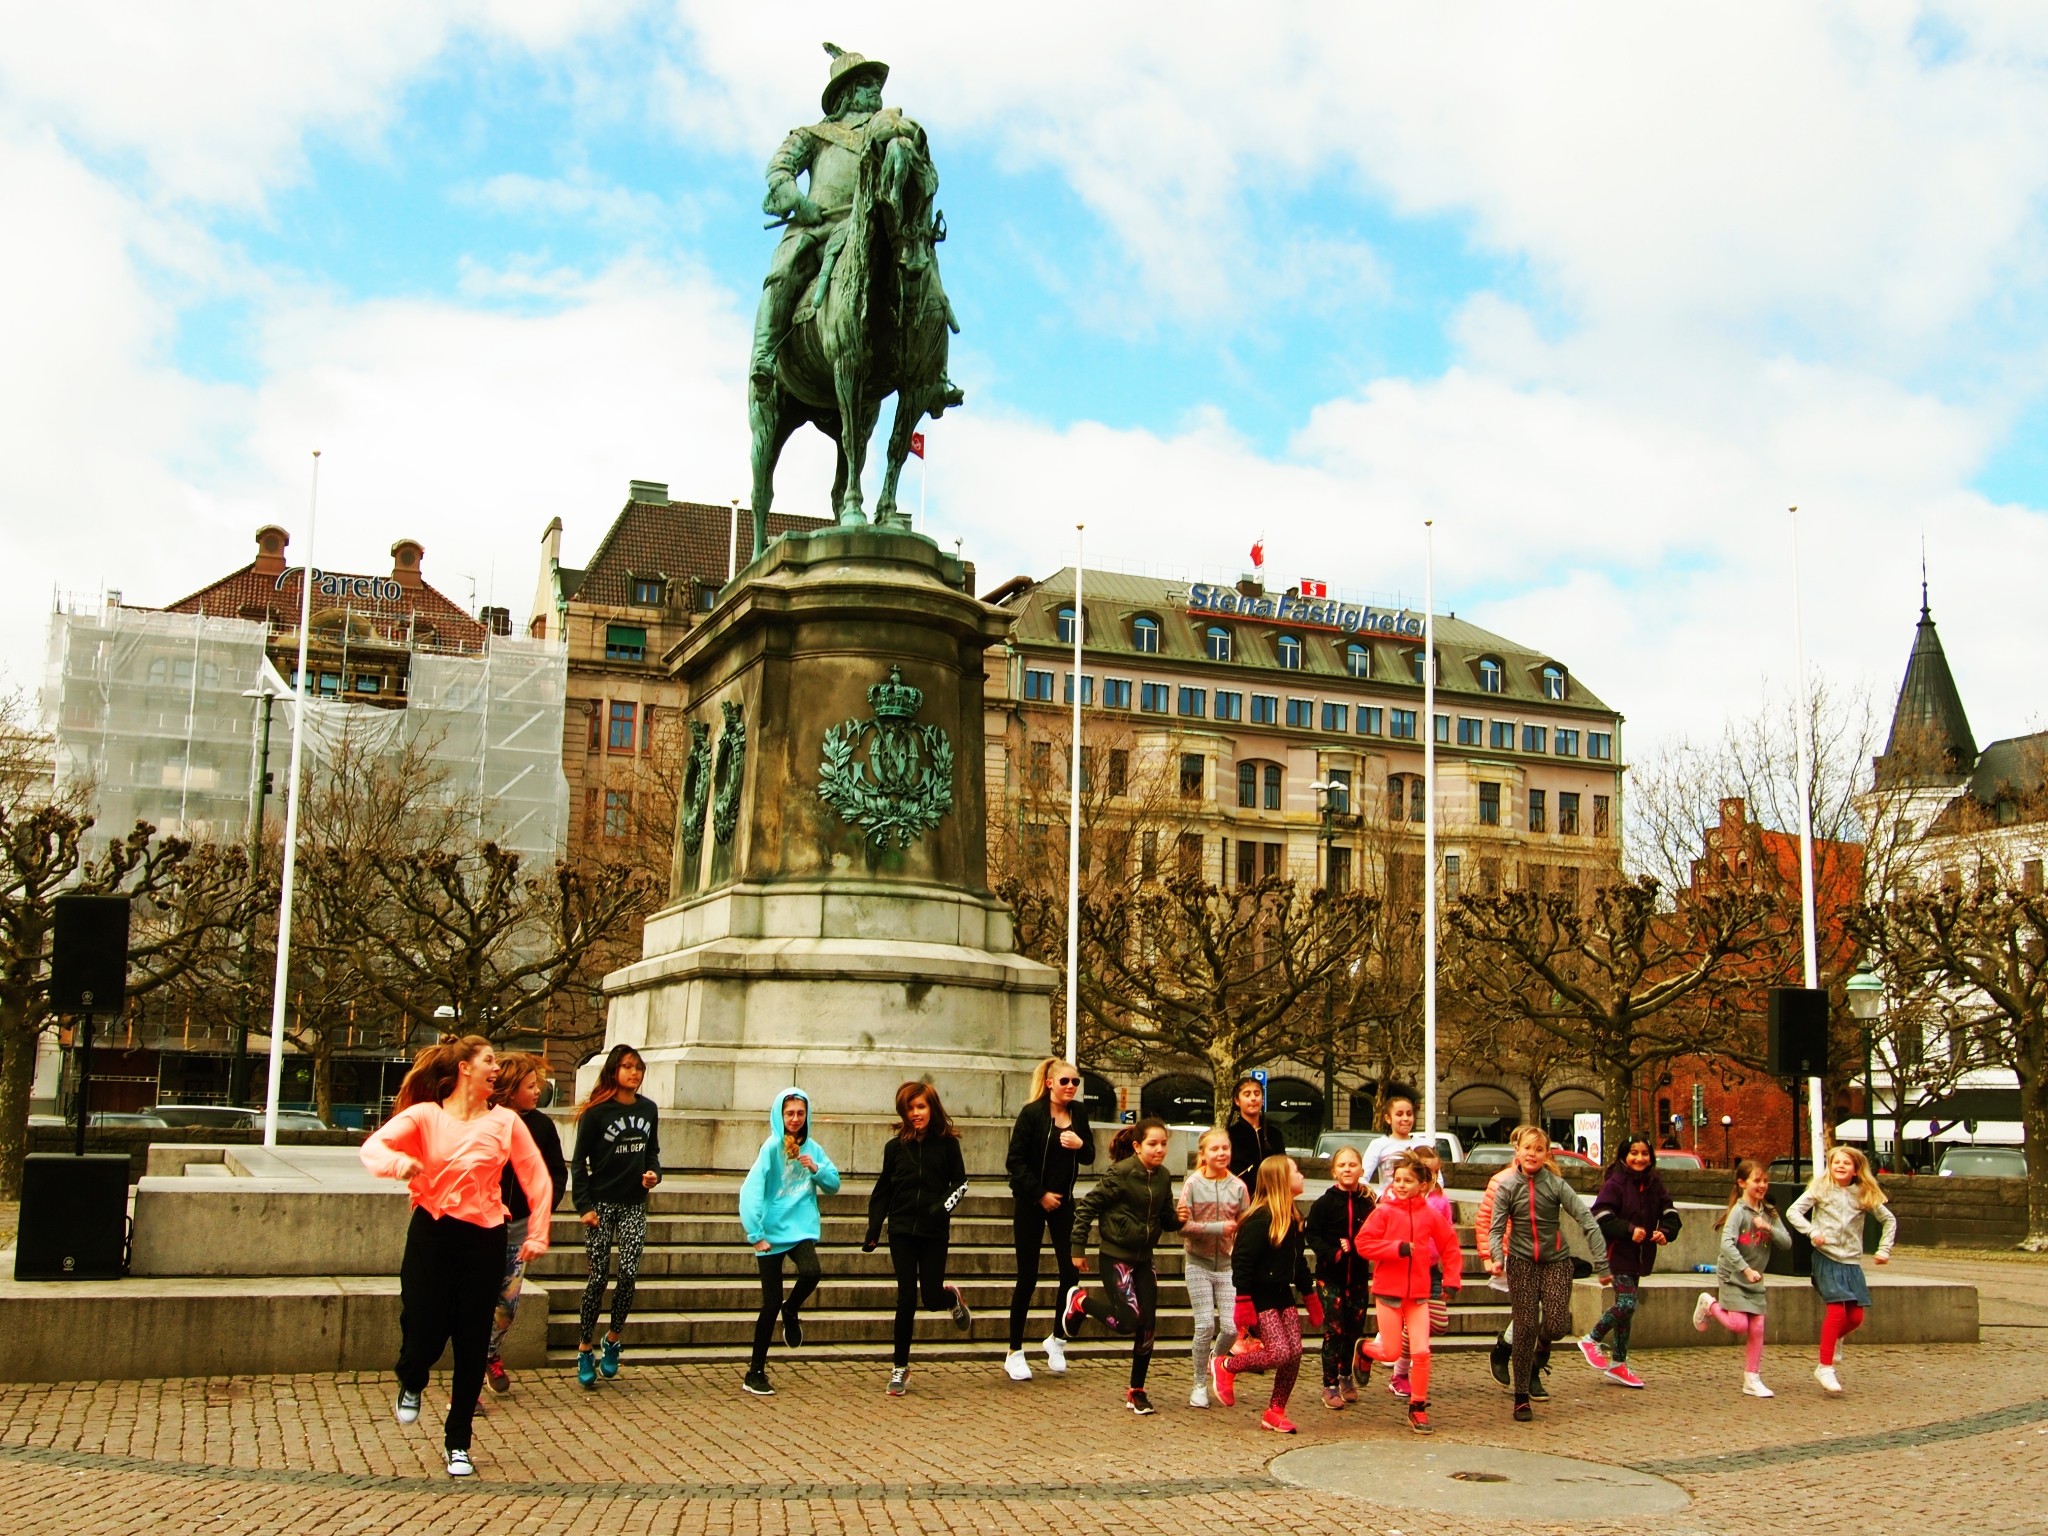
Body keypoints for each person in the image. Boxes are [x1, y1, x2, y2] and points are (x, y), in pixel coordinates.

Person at [359, 1036, 551, 1480]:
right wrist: (399, 1165)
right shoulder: (426, 1116)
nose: (496, 1069)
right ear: (464, 1068)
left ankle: (458, 1441)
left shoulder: (505, 1122)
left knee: (471, 1342)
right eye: (488, 1061)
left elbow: (536, 1176)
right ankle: (412, 1377)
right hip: (432, 1232)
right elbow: (373, 1149)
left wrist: (538, 1232)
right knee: (423, 1327)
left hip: (485, 1237)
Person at [1485, 1126, 1610, 1423]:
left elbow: (1587, 1220)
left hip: (1555, 1261)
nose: (1532, 1154)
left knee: (1557, 1324)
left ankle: (1543, 1348)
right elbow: (1496, 1229)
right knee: (1525, 1326)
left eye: (1538, 1150)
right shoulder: (1507, 1188)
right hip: (1521, 1263)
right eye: (1527, 1148)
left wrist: (1603, 1264)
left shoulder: (1555, 1185)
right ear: (1517, 1151)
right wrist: (1496, 1258)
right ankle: (1521, 1397)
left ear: (1546, 1154)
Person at [1062, 1116, 1185, 1415]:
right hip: (1115, 1256)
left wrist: (1179, 1218)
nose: (1159, 1150)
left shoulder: (1164, 1176)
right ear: (1137, 1146)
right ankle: (1081, 1303)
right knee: (1128, 1322)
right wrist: (1077, 1248)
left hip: (1144, 1259)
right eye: (1152, 1144)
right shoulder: (1122, 1173)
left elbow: (1164, 1218)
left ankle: (1137, 1391)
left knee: (1148, 1326)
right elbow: (1088, 1206)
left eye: (1163, 1144)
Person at [864, 1081, 972, 1397]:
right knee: (906, 1298)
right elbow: (883, 1190)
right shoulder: (894, 1148)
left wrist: (941, 1208)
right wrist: (873, 1229)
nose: (915, 1114)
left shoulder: (948, 1145)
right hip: (901, 1230)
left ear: (932, 1108)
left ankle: (950, 1297)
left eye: (921, 1107)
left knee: (931, 1297)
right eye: (910, 1108)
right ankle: (900, 1367)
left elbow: (961, 1184)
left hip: (934, 1231)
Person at [570, 1044, 662, 1389]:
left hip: (633, 1203)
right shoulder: (596, 1113)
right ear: (613, 1071)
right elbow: (579, 1164)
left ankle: (613, 1337)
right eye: (626, 1067)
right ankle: (583, 1347)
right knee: (597, 1278)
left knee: (628, 1273)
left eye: (638, 1068)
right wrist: (584, 1206)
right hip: (601, 1204)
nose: (634, 1073)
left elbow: (652, 1152)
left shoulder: (649, 1109)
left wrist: (654, 1175)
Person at [739, 1087, 840, 1396]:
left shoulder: (814, 1148)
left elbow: (834, 1184)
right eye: (789, 1114)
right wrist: (755, 1234)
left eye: (800, 1113)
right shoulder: (771, 1148)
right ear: (780, 1116)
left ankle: (792, 1309)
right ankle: (755, 1371)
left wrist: (816, 1169)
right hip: (769, 1232)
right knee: (769, 1303)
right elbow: (751, 1190)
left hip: (800, 1229)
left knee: (812, 1272)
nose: (795, 1119)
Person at [1355, 1152, 1463, 1435]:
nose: (1401, 1185)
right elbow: (1363, 1243)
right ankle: (1364, 1350)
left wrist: (1452, 1280)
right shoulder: (1384, 1212)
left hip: (1418, 1295)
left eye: (1408, 1180)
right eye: (1397, 1180)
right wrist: (1395, 1248)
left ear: (1423, 1185)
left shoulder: (1430, 1215)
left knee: (1422, 1351)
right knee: (1390, 1352)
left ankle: (1418, 1407)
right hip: (1388, 1292)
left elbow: (1450, 1245)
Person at [1003, 1057, 1096, 1382]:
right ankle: (1014, 1351)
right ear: (1049, 1083)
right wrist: (1039, 1193)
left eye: (1075, 1083)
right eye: (1065, 1082)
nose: (1071, 1087)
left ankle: (1056, 1339)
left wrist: (1080, 1143)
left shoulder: (1079, 1114)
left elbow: (1089, 1156)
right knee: (1027, 1277)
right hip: (1031, 1202)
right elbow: (1014, 1161)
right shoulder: (1032, 1114)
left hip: (1065, 1203)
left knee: (1070, 1274)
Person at [1211, 1155, 1317, 1433]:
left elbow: (1298, 1262)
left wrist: (1310, 1295)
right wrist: (1243, 1300)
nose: (1302, 1176)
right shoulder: (1259, 1219)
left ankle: (1275, 1411)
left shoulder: (1293, 1217)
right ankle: (1226, 1365)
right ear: (1282, 1180)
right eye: (1297, 1172)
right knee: (1279, 1352)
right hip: (1259, 1297)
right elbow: (1242, 1262)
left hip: (1282, 1294)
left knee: (1294, 1354)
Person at [483, 1052, 568, 1399]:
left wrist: (541, 1211)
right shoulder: (483, 1121)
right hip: (480, 1226)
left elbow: (556, 1174)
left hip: (518, 1228)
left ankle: (489, 1351)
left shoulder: (542, 1126)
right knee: (475, 1303)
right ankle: (469, 1380)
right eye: (531, 1086)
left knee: (507, 1307)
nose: (538, 1092)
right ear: (510, 1088)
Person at [1786, 1145, 1896, 1395]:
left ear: (1856, 1169)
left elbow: (1889, 1220)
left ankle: (1834, 1338)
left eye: (1846, 1163)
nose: (1841, 1166)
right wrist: (1812, 1232)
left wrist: (1884, 1249)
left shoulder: (1863, 1192)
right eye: (1836, 1162)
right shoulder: (1820, 1188)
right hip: (1826, 1257)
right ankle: (1824, 1366)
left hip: (1851, 1260)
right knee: (1836, 1309)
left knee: (1855, 1317)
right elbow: (1794, 1211)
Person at [1584, 1134, 1681, 1388]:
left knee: (1626, 1314)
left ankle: (1618, 1364)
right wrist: (1629, 1230)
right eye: (1634, 1153)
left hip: (1640, 1257)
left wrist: (1665, 1233)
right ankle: (1591, 1338)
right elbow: (1601, 1215)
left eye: (1644, 1154)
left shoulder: (1655, 1184)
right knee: (1627, 1303)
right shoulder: (1614, 1183)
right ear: (1624, 1156)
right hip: (1617, 1255)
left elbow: (1670, 1212)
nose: (1639, 1158)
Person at [1692, 1158, 1792, 1397]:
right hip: (1734, 1275)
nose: (1762, 1185)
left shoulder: (1769, 1213)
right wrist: (1745, 1269)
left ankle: (1752, 1378)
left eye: (1765, 1180)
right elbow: (1726, 1244)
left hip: (1756, 1279)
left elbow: (1787, 1243)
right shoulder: (1738, 1211)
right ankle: (1709, 1303)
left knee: (1757, 1327)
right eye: (1756, 1180)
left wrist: (1769, 1228)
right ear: (1742, 1183)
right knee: (1739, 1325)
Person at [1182, 1126, 1248, 1408]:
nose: (1222, 1153)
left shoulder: (1238, 1187)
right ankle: (1199, 1382)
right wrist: (1218, 1227)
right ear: (1204, 1154)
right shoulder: (1193, 1184)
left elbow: (1244, 1225)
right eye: (1215, 1149)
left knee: (1232, 1329)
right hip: (1198, 1262)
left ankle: (1215, 1361)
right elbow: (1182, 1227)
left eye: (1226, 1148)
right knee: (1206, 1323)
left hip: (1228, 1266)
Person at [1305, 1145, 1375, 1410]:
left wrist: (1360, 1247)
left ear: (1361, 1169)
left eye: (1352, 1164)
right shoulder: (1324, 1203)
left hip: (1357, 1276)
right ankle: (1330, 1383)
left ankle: (1347, 1375)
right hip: (1330, 1277)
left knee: (1353, 1329)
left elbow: (1376, 1233)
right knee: (1334, 1329)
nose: (1348, 1169)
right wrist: (1333, 1251)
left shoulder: (1367, 1202)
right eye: (1342, 1165)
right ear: (1334, 1171)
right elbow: (1313, 1235)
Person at [1358, 1094, 1433, 1193]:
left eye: (1409, 1114)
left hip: (1418, 1205)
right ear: (1388, 1118)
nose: (1405, 1118)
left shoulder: (1424, 1144)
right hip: (1389, 1205)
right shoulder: (1378, 1144)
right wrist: (1379, 1197)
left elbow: (1436, 1178)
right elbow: (1362, 1177)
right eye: (1399, 1114)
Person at [1225, 1077, 1287, 1184]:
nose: (1253, 1098)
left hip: (1272, 1195)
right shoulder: (1229, 1135)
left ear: (1262, 1099)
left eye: (1257, 1094)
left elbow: (1283, 1169)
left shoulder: (1275, 1134)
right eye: (1247, 1094)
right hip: (1241, 1196)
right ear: (1237, 1101)